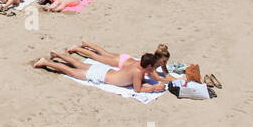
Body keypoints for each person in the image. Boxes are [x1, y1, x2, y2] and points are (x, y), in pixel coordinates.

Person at [32, 51, 168, 93]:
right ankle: (46, 62)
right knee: (71, 71)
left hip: (105, 71)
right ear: (148, 65)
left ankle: (58, 55)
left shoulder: (136, 64)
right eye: (152, 67)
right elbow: (137, 90)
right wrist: (153, 87)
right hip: (101, 75)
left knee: (78, 64)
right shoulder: (137, 73)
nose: (153, 70)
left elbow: (142, 79)